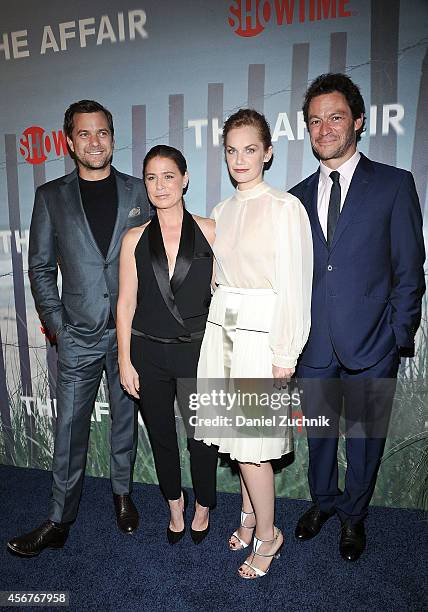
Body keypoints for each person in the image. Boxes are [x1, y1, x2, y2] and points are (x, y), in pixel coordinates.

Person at [290, 73, 425, 561]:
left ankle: (353, 517)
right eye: (315, 120)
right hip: (315, 347)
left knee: (365, 442)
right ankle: (323, 503)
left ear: (359, 122)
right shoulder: (295, 197)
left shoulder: (393, 184)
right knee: (321, 434)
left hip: (373, 345)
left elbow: (410, 268)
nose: (324, 128)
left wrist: (397, 336)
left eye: (335, 117)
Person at [7, 100, 150, 557]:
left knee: (126, 418)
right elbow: (40, 267)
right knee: (69, 428)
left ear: (112, 136)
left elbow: (154, 259)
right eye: (84, 134)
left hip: (130, 333)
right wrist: (57, 327)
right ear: (70, 141)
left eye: (102, 132)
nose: (94, 141)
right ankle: (58, 519)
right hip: (79, 335)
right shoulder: (51, 197)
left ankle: (122, 494)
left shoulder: (137, 192)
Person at [197, 109, 313, 578]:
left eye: (250, 149)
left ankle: (269, 536)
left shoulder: (285, 208)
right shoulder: (222, 211)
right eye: (231, 150)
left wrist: (285, 353)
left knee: (252, 447)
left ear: (268, 152)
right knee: (238, 442)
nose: (240, 159)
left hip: (262, 341)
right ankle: (248, 517)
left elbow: (295, 286)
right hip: (221, 332)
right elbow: (216, 281)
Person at [117, 145, 218, 545]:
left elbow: (227, 292)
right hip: (149, 353)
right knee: (161, 434)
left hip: (197, 352)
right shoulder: (134, 238)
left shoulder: (211, 230)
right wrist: (125, 359)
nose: (160, 185)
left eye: (168, 176)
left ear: (185, 179)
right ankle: (175, 504)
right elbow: (126, 302)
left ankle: (205, 504)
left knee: (201, 437)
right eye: (151, 178)